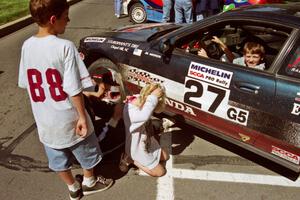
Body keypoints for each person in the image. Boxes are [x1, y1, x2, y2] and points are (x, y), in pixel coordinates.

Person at [18, 1, 113, 199]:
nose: (68, 20)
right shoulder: (65, 47)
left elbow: (26, 83)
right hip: (68, 115)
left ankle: (72, 188)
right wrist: (81, 116)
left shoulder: (27, 46)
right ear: (53, 19)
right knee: (87, 151)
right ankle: (89, 182)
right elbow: (74, 88)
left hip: (45, 119)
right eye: (65, 16)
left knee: (57, 159)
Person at [120, 83, 169, 177]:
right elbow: (144, 116)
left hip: (146, 142)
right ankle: (130, 159)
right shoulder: (131, 112)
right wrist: (154, 97)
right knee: (160, 172)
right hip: (137, 149)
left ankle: (138, 158)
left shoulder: (139, 99)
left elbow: (145, 102)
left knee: (166, 156)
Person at [83, 67, 122, 142]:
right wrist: (114, 120)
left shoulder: (92, 99)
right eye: (104, 88)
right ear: (93, 83)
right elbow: (97, 139)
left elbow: (105, 110)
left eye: (109, 88)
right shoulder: (82, 106)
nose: (107, 93)